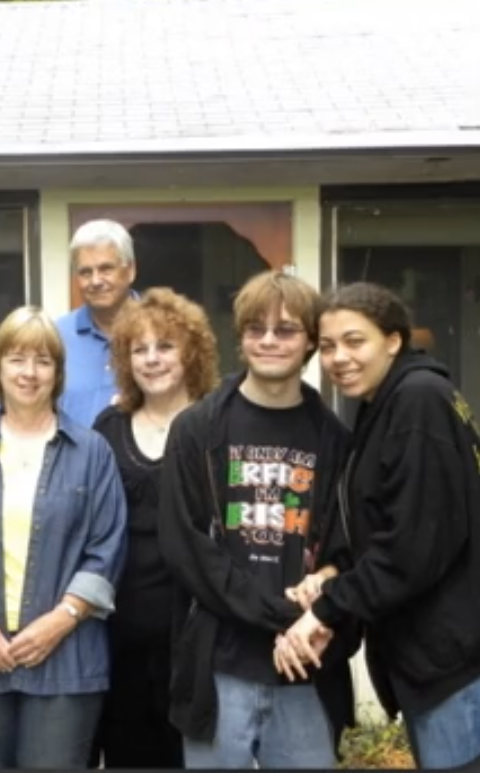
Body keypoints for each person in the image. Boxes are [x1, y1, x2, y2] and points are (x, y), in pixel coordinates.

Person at [158, 270, 357, 769]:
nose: (268, 340)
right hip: (219, 666)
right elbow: (187, 549)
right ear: (240, 336)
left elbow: (347, 548)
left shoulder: (335, 440)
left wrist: (318, 611)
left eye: (286, 329)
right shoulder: (196, 429)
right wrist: (282, 617)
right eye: (255, 329)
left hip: (306, 670)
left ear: (311, 341)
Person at [280, 282, 480, 770]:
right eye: (327, 347)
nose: (338, 358)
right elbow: (380, 520)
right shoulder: (383, 404)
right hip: (429, 656)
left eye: (355, 341)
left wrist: (327, 609)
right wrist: (334, 570)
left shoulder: (418, 402)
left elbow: (412, 549)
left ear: (393, 341)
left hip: (454, 661)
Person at [0, 306, 128, 769]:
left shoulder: (91, 452)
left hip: (67, 657)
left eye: (44, 361)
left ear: (58, 372)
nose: (30, 372)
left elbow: (108, 547)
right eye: (17, 359)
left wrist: (60, 620)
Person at [90, 287, 219, 769]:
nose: (151, 360)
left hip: (196, 635)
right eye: (138, 349)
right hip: (119, 635)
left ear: (191, 351)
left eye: (164, 346)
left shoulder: (216, 425)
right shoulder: (108, 427)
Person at [55, 219, 137, 426]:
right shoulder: (55, 338)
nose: (96, 281)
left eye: (106, 269)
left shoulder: (164, 331)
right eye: (85, 272)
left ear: (130, 271)